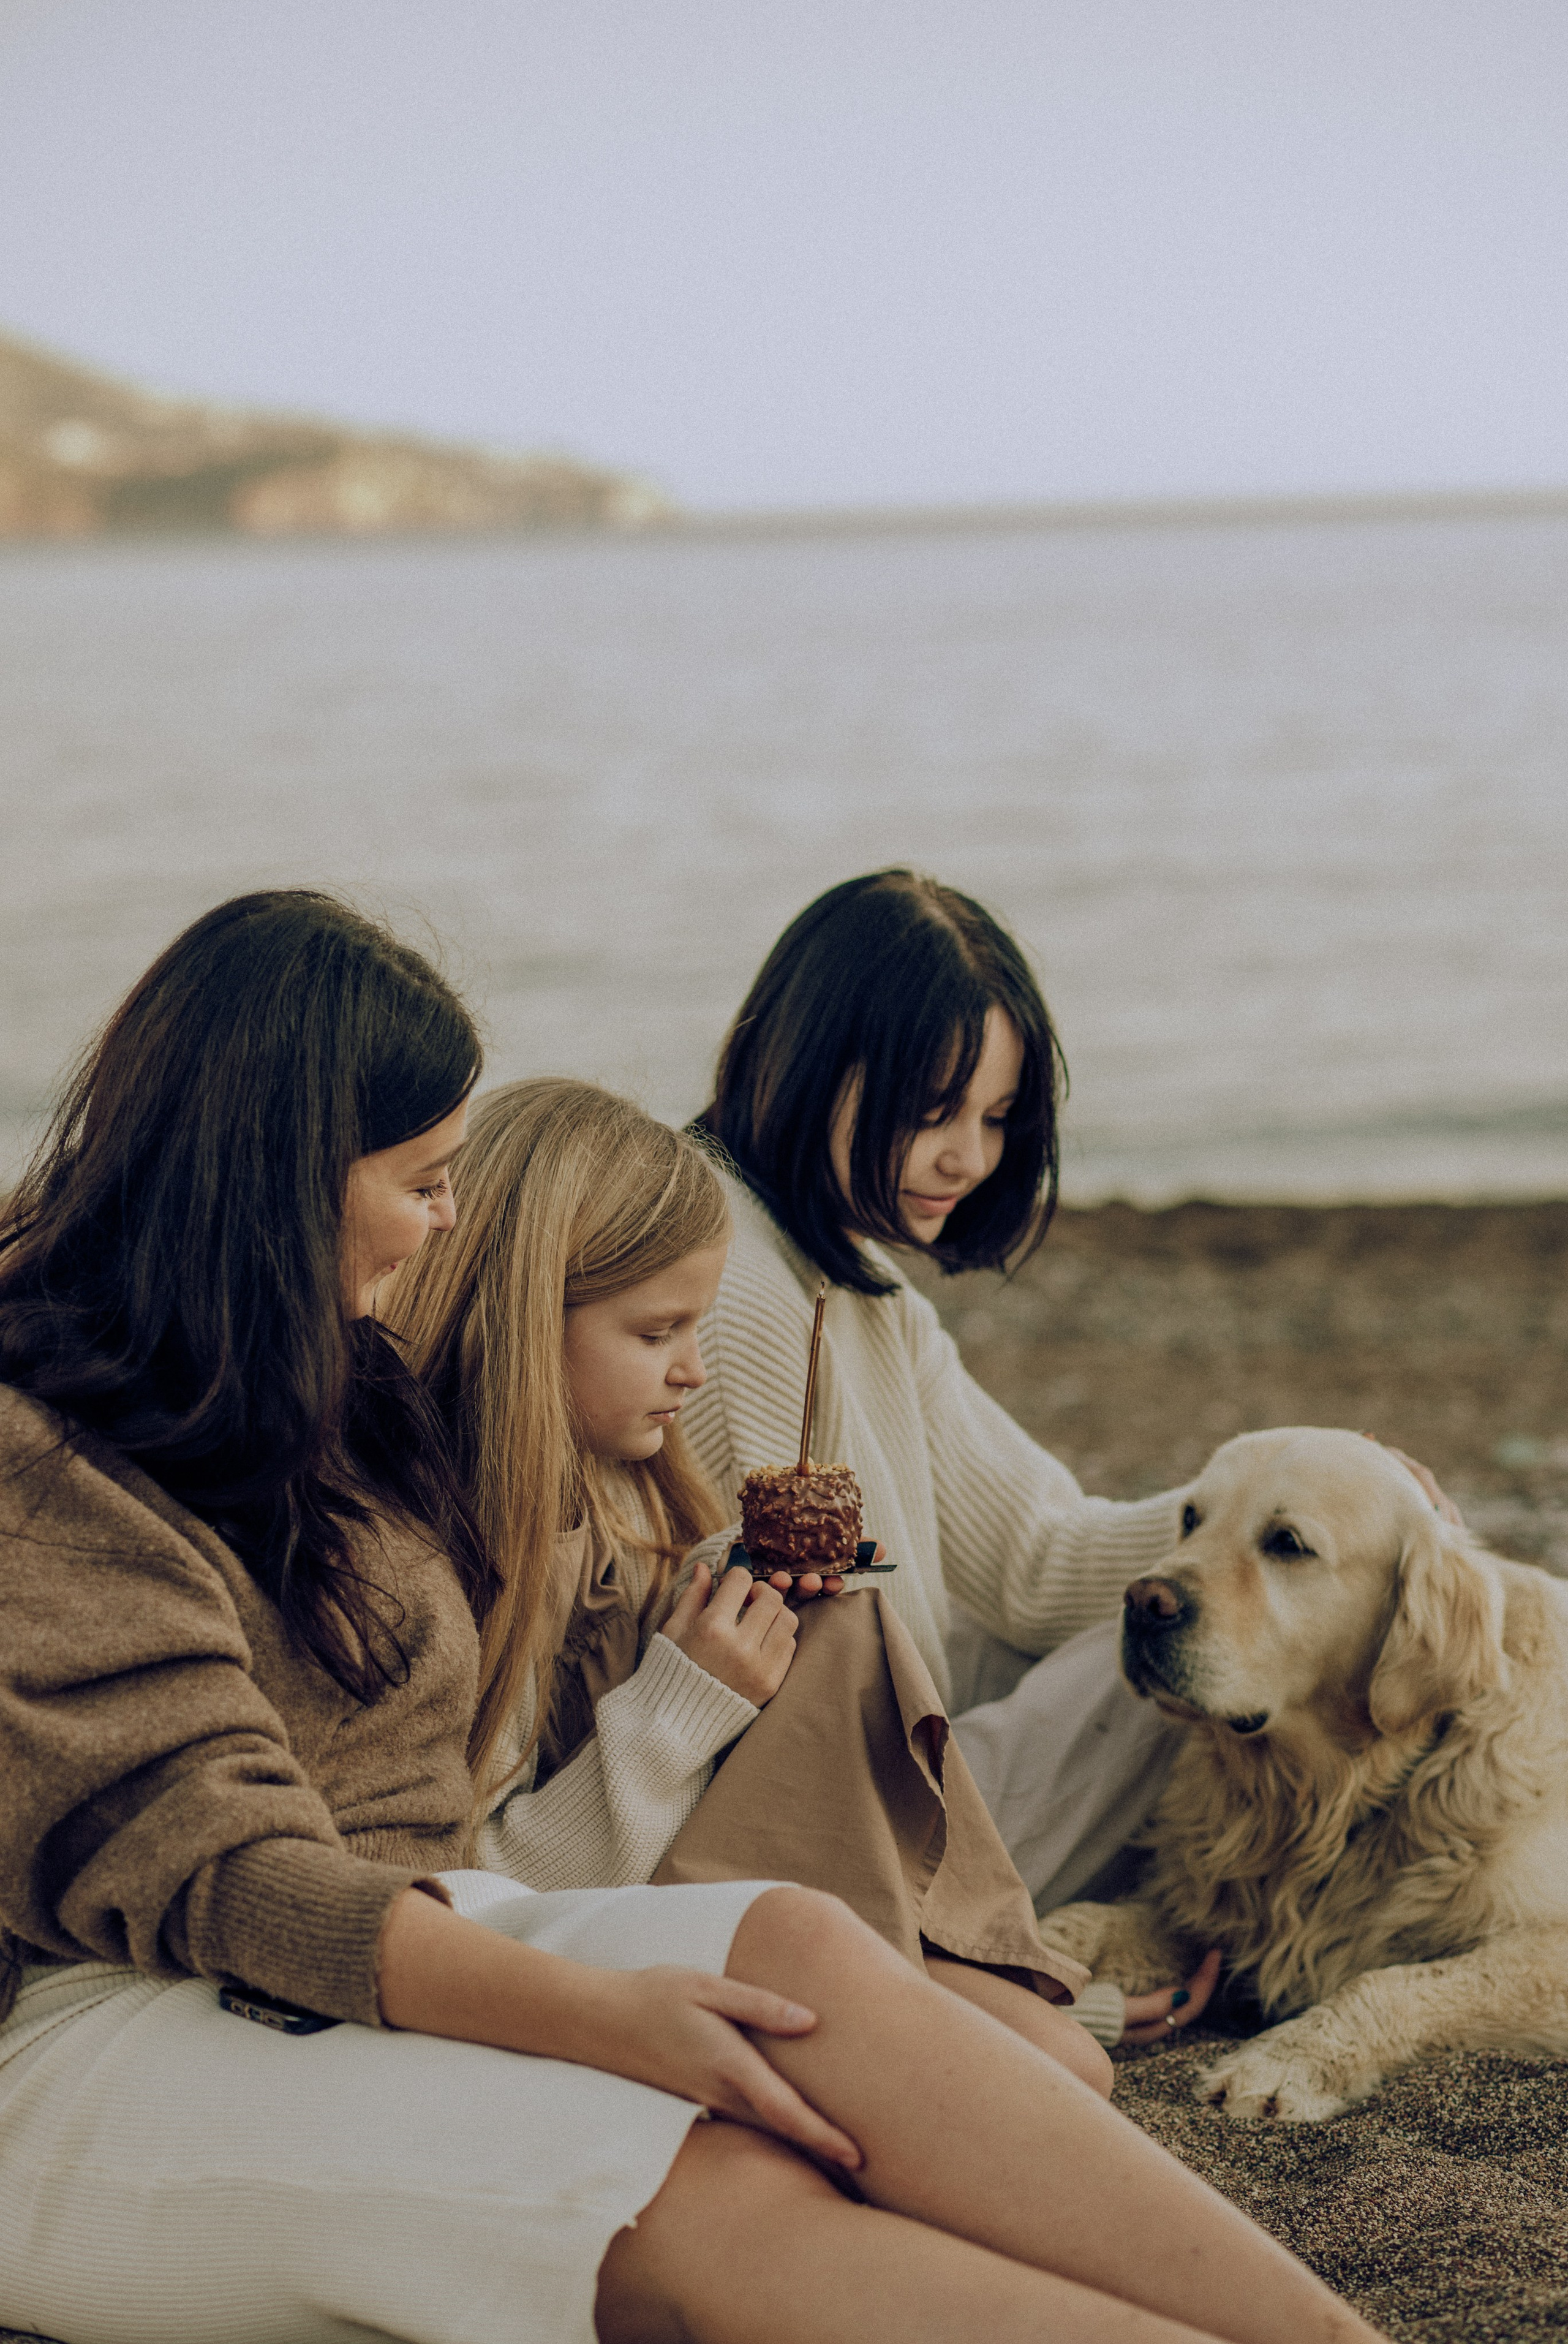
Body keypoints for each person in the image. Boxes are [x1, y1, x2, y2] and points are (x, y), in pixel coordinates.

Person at [0, 890, 1390, 2344]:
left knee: (793, 1950)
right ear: (276, 1178)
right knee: (710, 2183)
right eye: (421, 1178)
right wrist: (605, 2014)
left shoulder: (329, 1391)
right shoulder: (44, 1470)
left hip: (390, 1939)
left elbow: (594, 1564)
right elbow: (229, 1876)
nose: (449, 1218)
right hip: (116, 2021)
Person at [685, 869, 1444, 2046]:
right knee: (1213, 1646)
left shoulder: (861, 1292)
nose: (965, 1159)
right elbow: (785, 1709)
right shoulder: (729, 1285)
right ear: (804, 1060)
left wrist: (1268, 1513)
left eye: (996, 1120)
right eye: (931, 1110)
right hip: (840, 1827)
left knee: (1189, 1607)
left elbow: (1037, 1559)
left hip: (883, 1749)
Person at [383, 1075, 1096, 2073]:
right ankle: (915, 1972)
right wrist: (685, 1701)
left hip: (705, 1869)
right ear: (527, 1314)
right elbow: (486, 1889)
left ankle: (938, 1950)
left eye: (698, 1329)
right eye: (655, 1333)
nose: (694, 1371)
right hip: (600, 1942)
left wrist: (727, 1589)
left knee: (1068, 2055)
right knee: (1064, 2069)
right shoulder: (457, 1559)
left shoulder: (629, 1487)